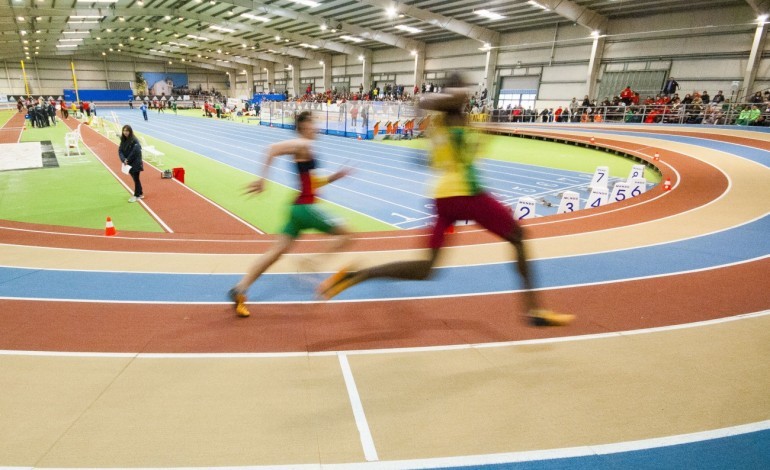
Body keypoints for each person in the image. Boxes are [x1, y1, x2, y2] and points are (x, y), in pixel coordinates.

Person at [316, 76, 574, 327]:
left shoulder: (448, 121)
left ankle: (357, 275)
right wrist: (455, 94)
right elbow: (431, 103)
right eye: (461, 88)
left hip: (444, 199)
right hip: (467, 195)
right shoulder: (448, 113)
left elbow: (449, 144)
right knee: (517, 237)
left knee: (426, 269)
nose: (466, 92)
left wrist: (486, 130)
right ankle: (534, 310)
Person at [227, 111, 352, 318]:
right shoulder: (302, 144)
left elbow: (313, 182)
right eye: (314, 123)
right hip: (306, 208)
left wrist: (333, 178)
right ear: (304, 126)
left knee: (275, 252)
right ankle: (312, 262)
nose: (317, 126)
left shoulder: (307, 148)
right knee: (348, 235)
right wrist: (262, 179)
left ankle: (240, 288)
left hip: (296, 210)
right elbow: (272, 149)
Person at [118, 125, 144, 202]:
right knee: (135, 179)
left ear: (130, 131)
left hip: (135, 162)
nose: (125, 132)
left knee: (136, 179)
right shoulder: (123, 140)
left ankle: (136, 195)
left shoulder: (134, 140)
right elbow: (120, 151)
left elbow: (135, 152)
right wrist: (123, 160)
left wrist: (127, 160)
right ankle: (140, 193)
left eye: (127, 131)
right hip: (128, 162)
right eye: (124, 130)